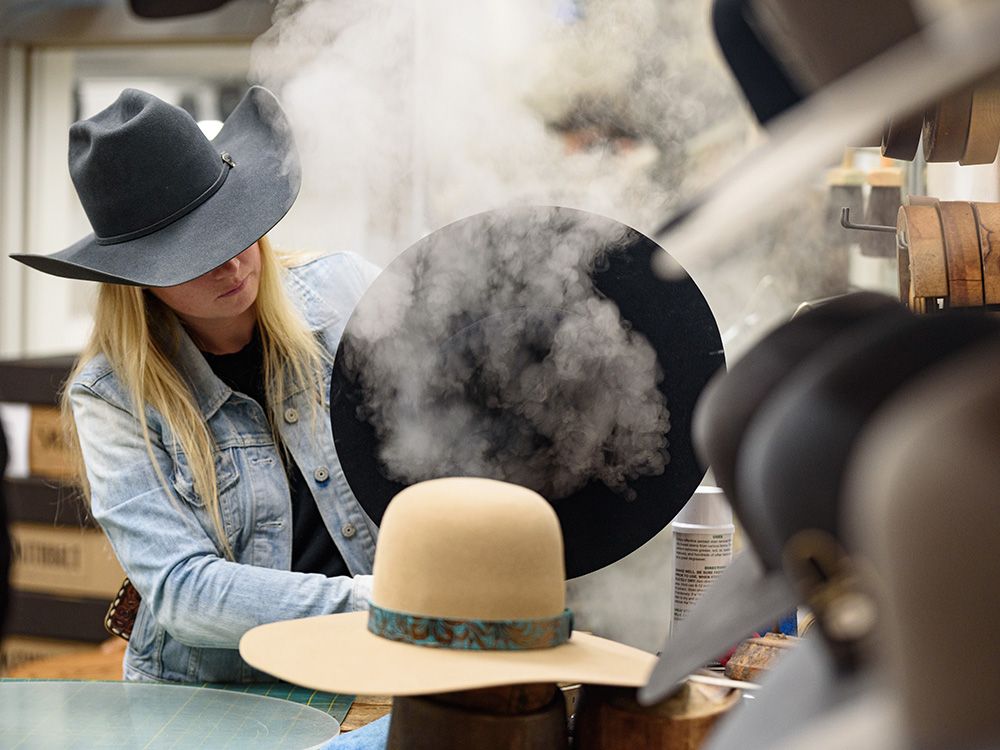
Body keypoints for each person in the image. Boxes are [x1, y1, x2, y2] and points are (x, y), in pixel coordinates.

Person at [10, 86, 381, 683]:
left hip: (378, 667)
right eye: (194, 254)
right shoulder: (111, 397)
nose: (231, 264)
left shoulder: (347, 295)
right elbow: (185, 590)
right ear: (135, 277)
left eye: (232, 227)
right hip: (217, 698)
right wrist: (379, 604)